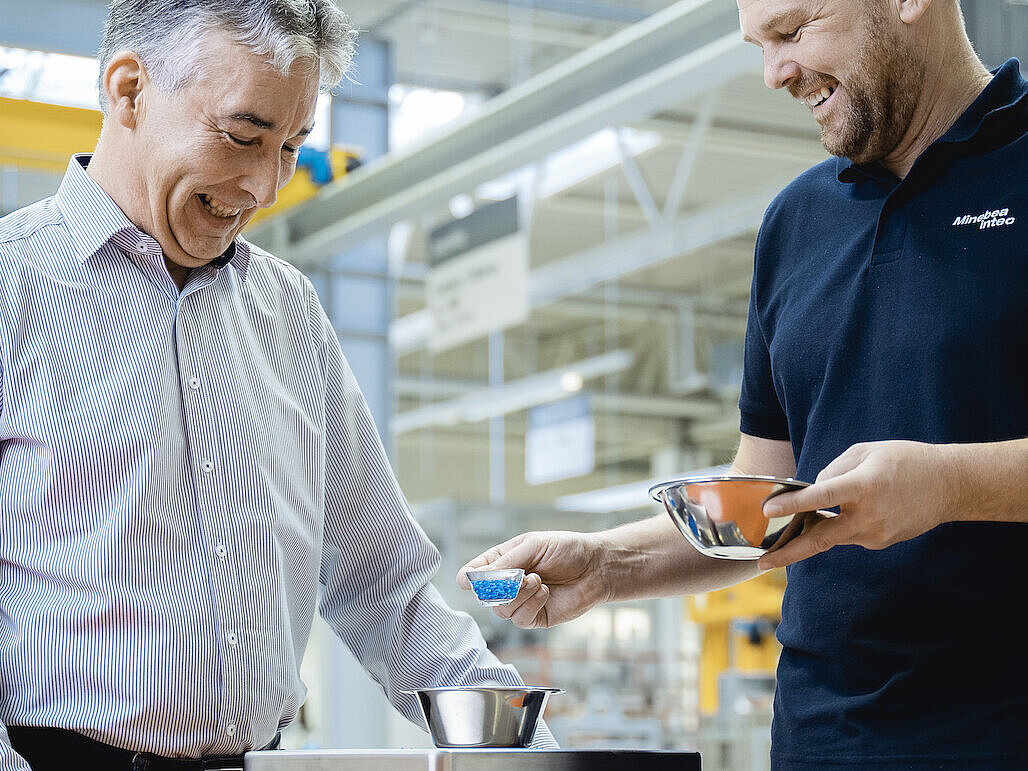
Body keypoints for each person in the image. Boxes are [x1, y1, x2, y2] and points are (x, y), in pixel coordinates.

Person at [460, 0, 1027, 768]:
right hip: (821, 741)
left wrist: (951, 485)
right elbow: (762, 502)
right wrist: (607, 564)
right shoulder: (796, 224)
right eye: (759, 45)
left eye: (792, 31)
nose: (774, 73)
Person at [0, 2, 556, 769]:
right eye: (243, 135)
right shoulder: (11, 288)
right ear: (128, 91)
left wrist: (538, 754)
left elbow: (385, 585)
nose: (263, 185)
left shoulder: (288, 313)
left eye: (291, 146)